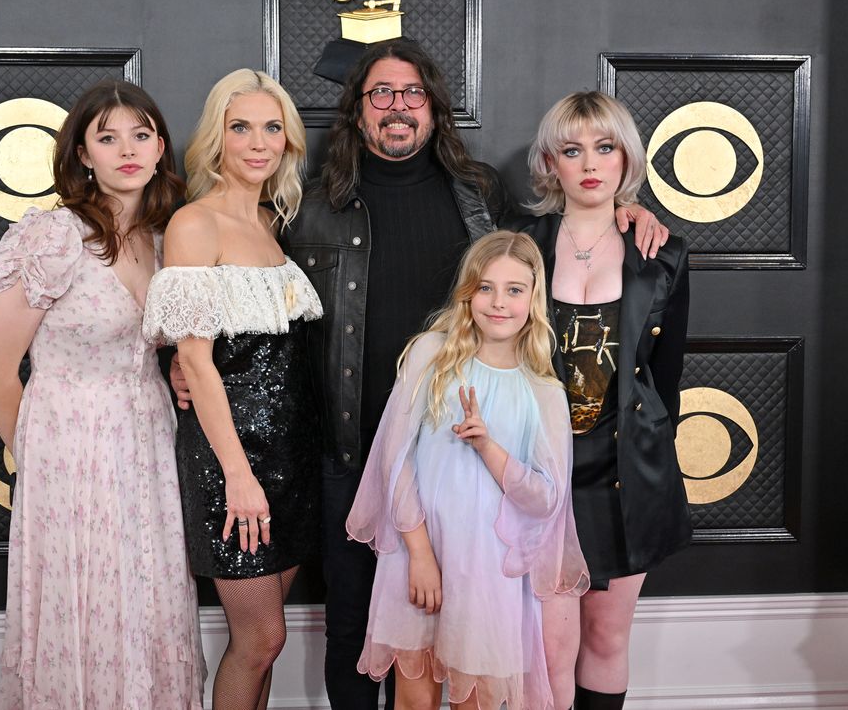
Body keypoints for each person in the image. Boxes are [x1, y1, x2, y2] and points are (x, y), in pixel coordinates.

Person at [173, 38, 667, 709]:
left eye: (413, 93)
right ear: (359, 110)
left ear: (434, 107)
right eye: (381, 93)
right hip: (349, 452)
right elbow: (241, 290)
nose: (398, 106)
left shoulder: (482, 195)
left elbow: (549, 245)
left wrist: (626, 210)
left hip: (461, 461)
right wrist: (183, 355)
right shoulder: (310, 208)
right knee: (355, 630)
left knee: (456, 634)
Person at [0, 79, 204, 708]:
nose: (126, 149)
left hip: (150, 445)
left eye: (140, 134)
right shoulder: (52, 237)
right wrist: (41, 462)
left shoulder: (168, 240)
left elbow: (156, 346)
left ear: (161, 147)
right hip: (67, 453)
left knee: (147, 594)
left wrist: (178, 371)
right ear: (83, 153)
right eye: (107, 138)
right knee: (88, 599)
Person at [345, 230, 590, 710]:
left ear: (534, 298)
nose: (498, 303)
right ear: (468, 293)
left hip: (486, 575)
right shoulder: (430, 356)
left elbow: (546, 499)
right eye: (486, 288)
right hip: (418, 556)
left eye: (515, 290)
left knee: (472, 702)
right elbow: (395, 462)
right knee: (413, 697)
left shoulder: (543, 392)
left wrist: (487, 446)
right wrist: (418, 553)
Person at [142, 69, 322, 710]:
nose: (258, 142)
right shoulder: (196, 223)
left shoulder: (275, 224)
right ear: (217, 137)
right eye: (240, 126)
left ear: (288, 142)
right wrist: (239, 476)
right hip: (231, 462)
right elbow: (196, 360)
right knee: (261, 638)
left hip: (293, 461)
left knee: (265, 646)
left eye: (272, 128)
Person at [518, 91, 691, 710]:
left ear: (625, 159)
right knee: (543, 646)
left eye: (605, 146)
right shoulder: (520, 243)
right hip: (541, 472)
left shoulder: (663, 252)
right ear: (549, 163)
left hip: (625, 473)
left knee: (608, 634)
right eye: (572, 149)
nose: (589, 162)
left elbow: (665, 375)